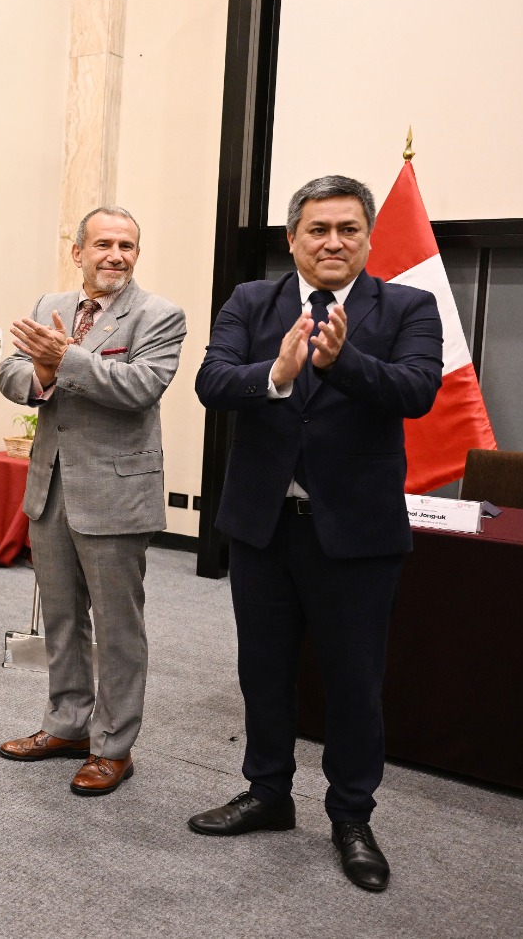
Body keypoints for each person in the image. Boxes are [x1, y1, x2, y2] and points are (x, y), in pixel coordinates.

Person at [190, 174, 443, 892]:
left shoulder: (408, 305)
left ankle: (352, 815)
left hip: (357, 534)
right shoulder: (250, 301)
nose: (333, 242)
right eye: (318, 230)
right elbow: (213, 381)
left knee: (354, 682)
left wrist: (342, 363)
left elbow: (418, 391)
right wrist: (275, 373)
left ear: (366, 236)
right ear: (294, 238)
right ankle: (268, 793)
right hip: (263, 529)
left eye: (348, 229)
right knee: (263, 671)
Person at [0, 206, 186, 795]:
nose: (116, 255)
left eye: (127, 245)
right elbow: (10, 373)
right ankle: (67, 725)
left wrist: (63, 360)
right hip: (50, 490)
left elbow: (140, 386)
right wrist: (41, 376)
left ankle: (113, 746)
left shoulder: (159, 316)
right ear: (78, 252)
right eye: (103, 244)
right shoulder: (46, 306)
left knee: (118, 627)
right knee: (61, 620)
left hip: (116, 496)